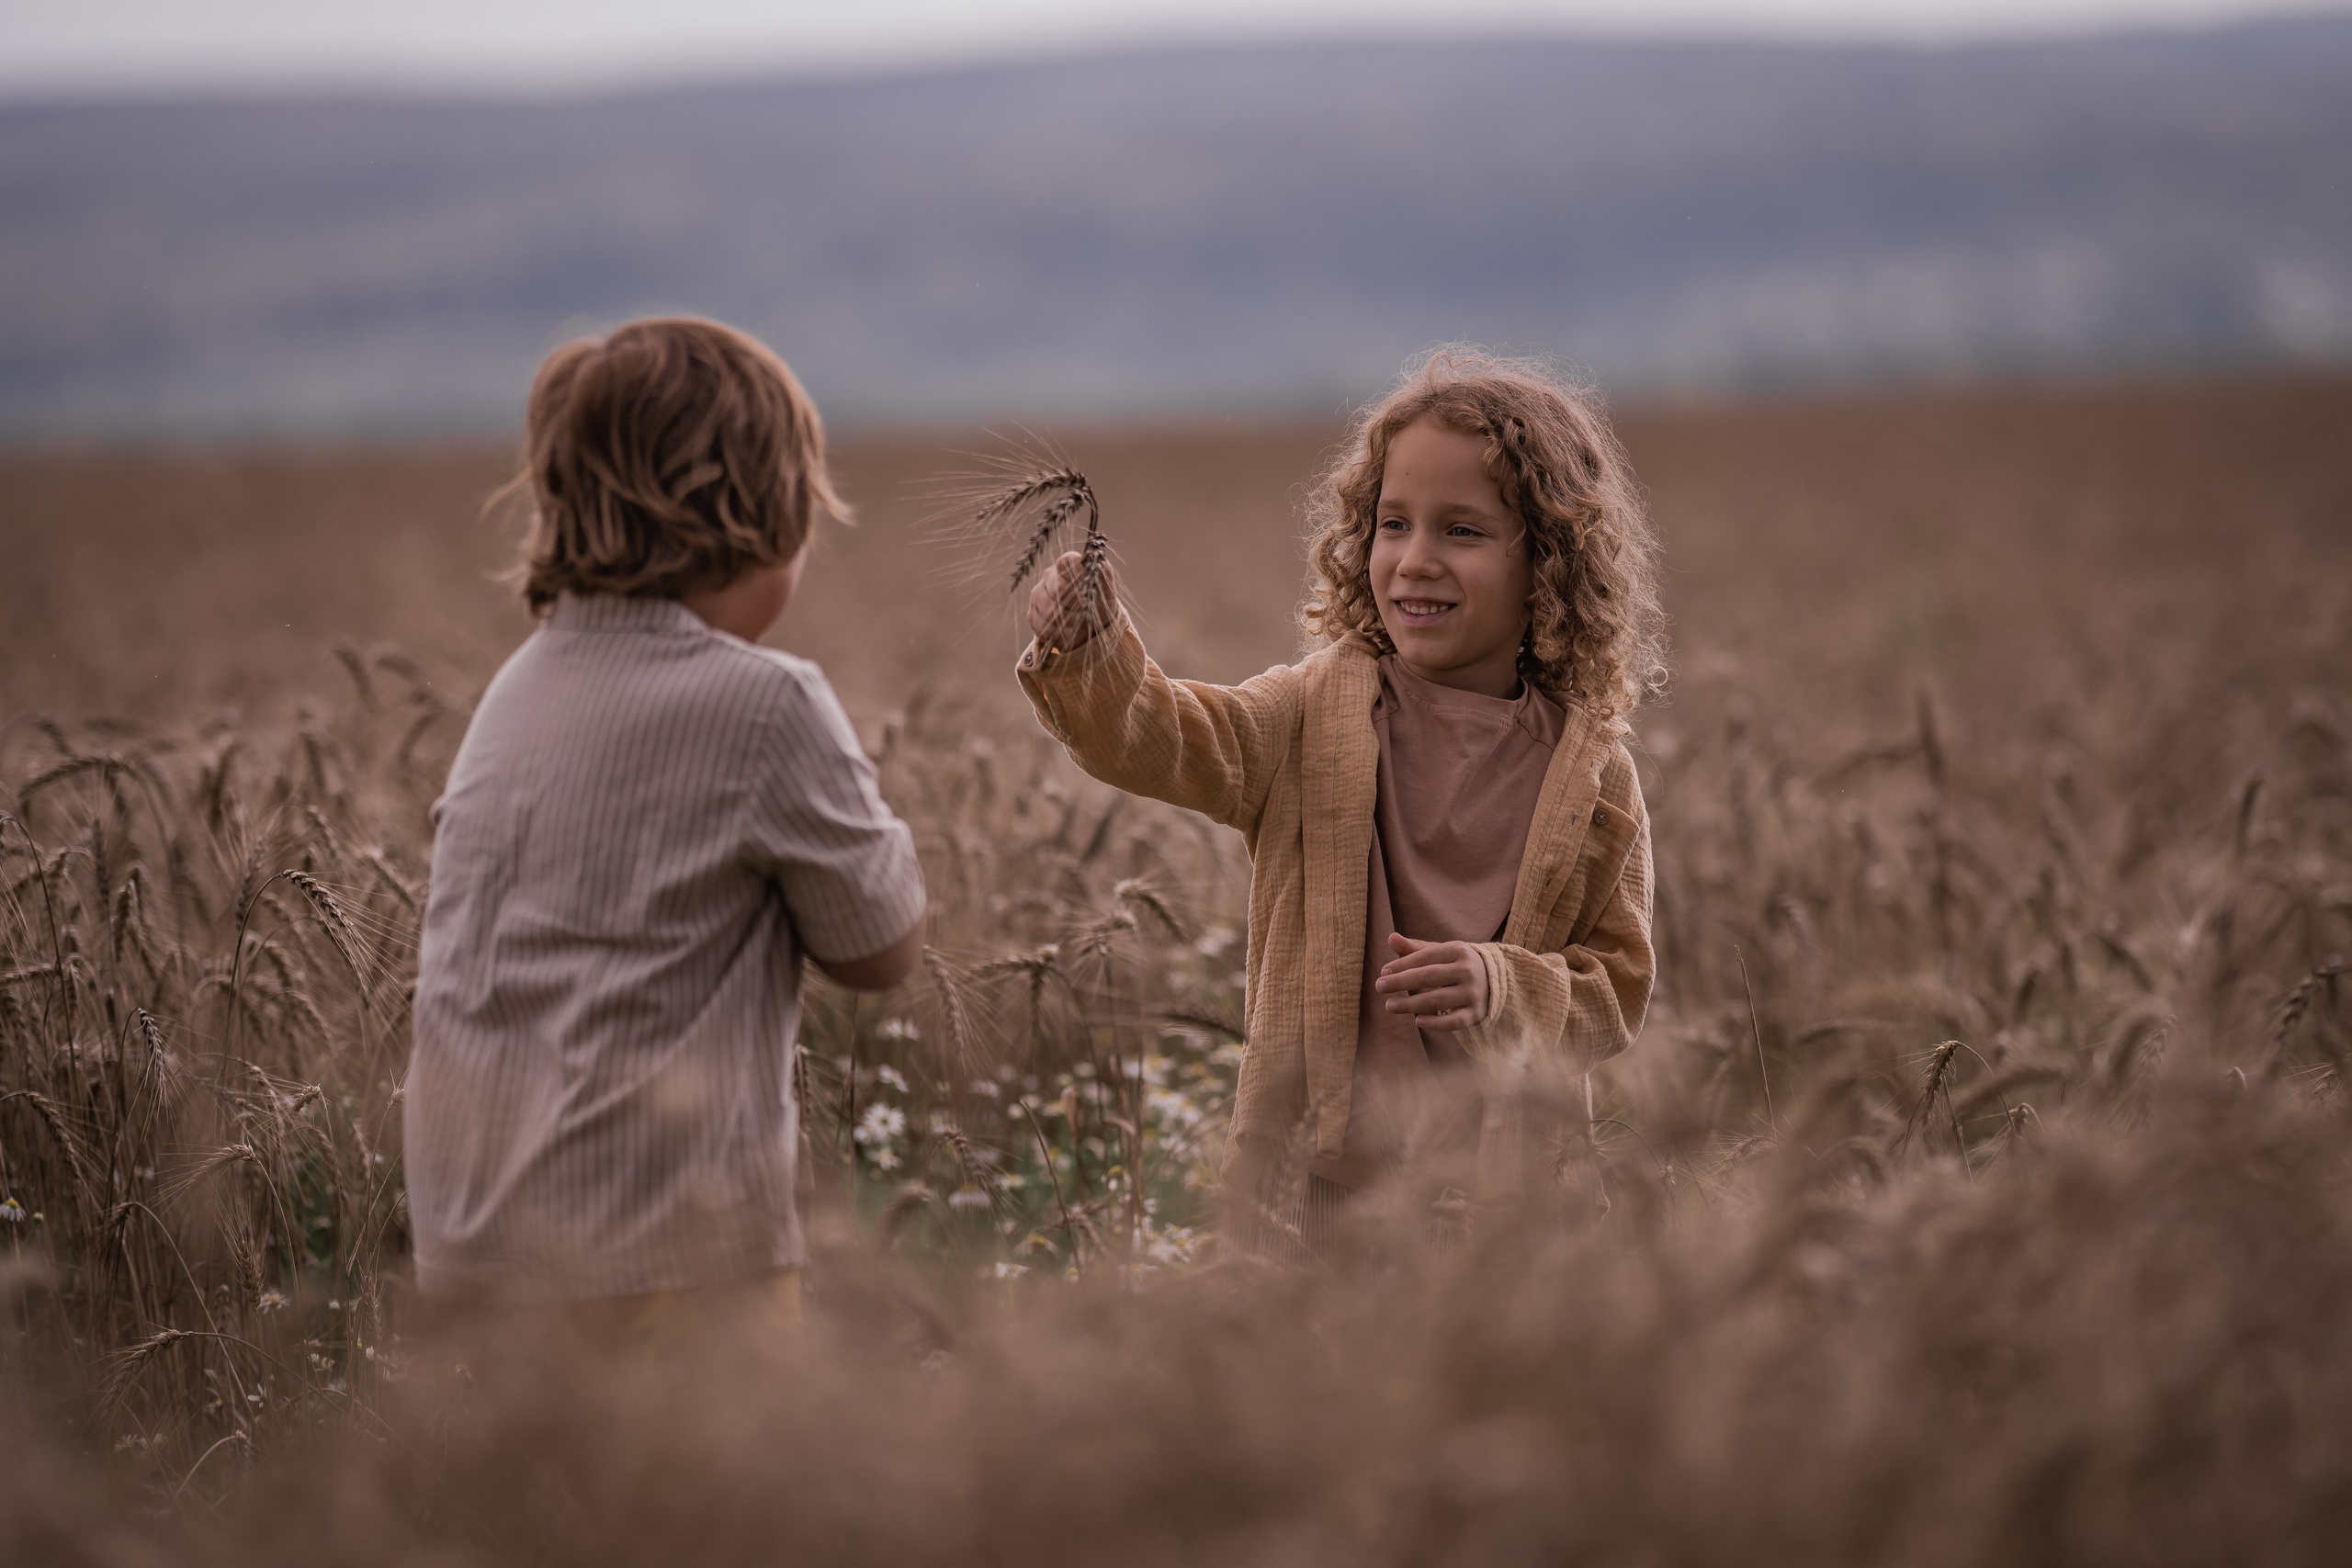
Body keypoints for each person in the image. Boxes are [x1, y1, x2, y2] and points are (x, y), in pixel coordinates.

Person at [1017, 349, 1663, 1249]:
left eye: (1462, 531)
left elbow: (1616, 989)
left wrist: (1502, 982)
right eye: (1392, 524)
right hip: (1312, 1187)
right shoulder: (1309, 715)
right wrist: (1092, 649)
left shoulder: (1590, 778)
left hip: (1511, 1209)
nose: (1415, 560)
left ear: (1546, 565)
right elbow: (1165, 738)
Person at [406, 317, 926, 1334]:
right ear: (763, 518)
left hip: (473, 1249)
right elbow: (881, 949)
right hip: (671, 1248)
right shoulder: (769, 703)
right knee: (713, 1493)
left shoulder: (517, 691)